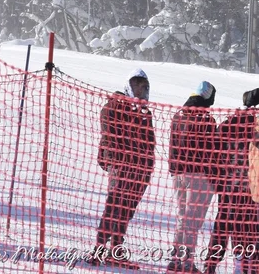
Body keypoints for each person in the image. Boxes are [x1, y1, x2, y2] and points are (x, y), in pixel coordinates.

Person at [90, 69, 155, 269]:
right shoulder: (114, 105)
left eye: (143, 87)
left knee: (127, 210)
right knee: (114, 207)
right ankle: (99, 250)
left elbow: (149, 140)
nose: (140, 91)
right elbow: (110, 132)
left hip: (139, 169)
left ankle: (116, 250)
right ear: (129, 86)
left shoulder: (145, 112)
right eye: (136, 86)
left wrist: (147, 164)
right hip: (121, 165)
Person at [204, 87, 259, 274]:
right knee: (249, 228)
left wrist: (217, 179)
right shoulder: (255, 125)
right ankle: (246, 266)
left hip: (229, 185)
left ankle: (211, 265)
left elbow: (215, 152)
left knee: (223, 225)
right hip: (250, 186)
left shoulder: (229, 123)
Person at [167, 81, 217, 273]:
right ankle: (187, 262)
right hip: (198, 176)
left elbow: (172, 145)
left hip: (179, 174)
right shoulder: (207, 119)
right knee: (193, 221)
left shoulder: (178, 115)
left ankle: (175, 259)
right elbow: (211, 151)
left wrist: (174, 170)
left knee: (182, 218)